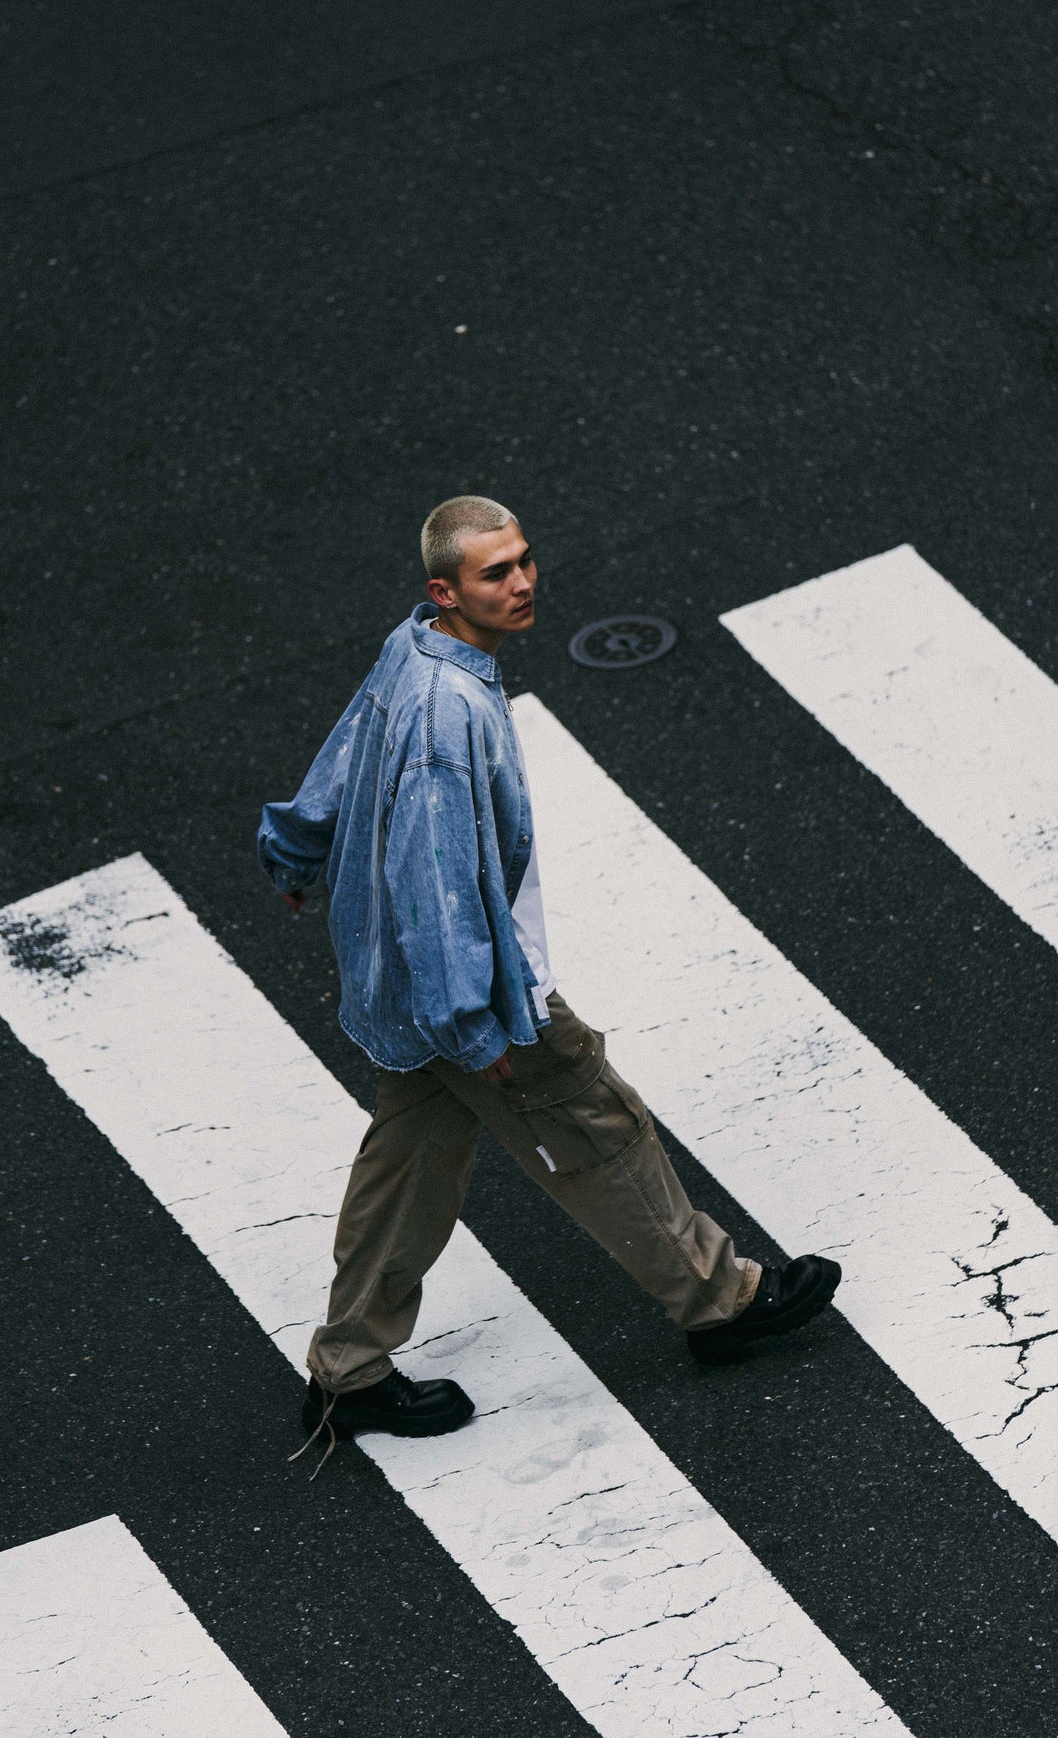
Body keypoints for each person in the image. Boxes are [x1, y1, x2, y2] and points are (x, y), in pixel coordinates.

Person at [258, 496, 840, 1468]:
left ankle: (348, 1371)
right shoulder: (450, 720)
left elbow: (350, 744)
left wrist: (295, 846)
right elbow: (437, 887)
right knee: (598, 1125)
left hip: (403, 993)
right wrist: (480, 1033)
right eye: (497, 573)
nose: (522, 583)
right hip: (465, 996)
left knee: (405, 1171)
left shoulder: (413, 651)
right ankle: (719, 1304)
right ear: (445, 590)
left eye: (524, 561)